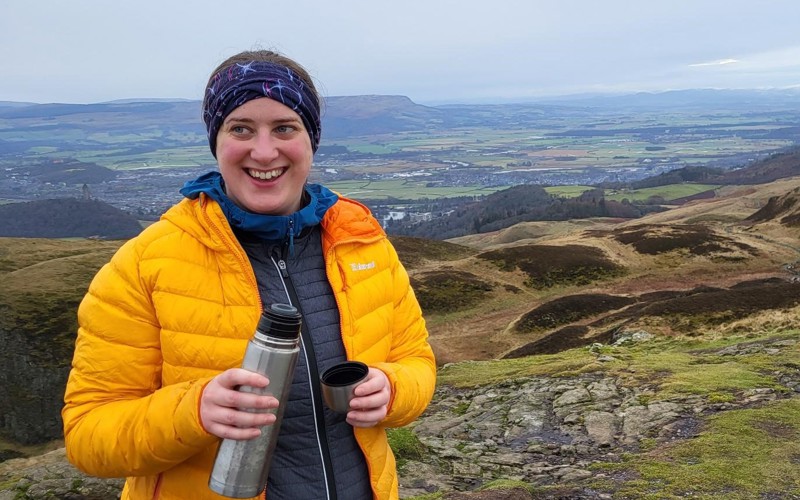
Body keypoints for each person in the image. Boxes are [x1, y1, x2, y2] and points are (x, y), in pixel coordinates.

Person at [62, 49, 436, 500]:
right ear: (216, 140)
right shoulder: (143, 266)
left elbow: (417, 362)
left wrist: (393, 390)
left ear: (310, 139)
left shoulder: (363, 243)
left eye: (284, 128)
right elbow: (88, 435)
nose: (264, 151)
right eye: (241, 128)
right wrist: (193, 411)